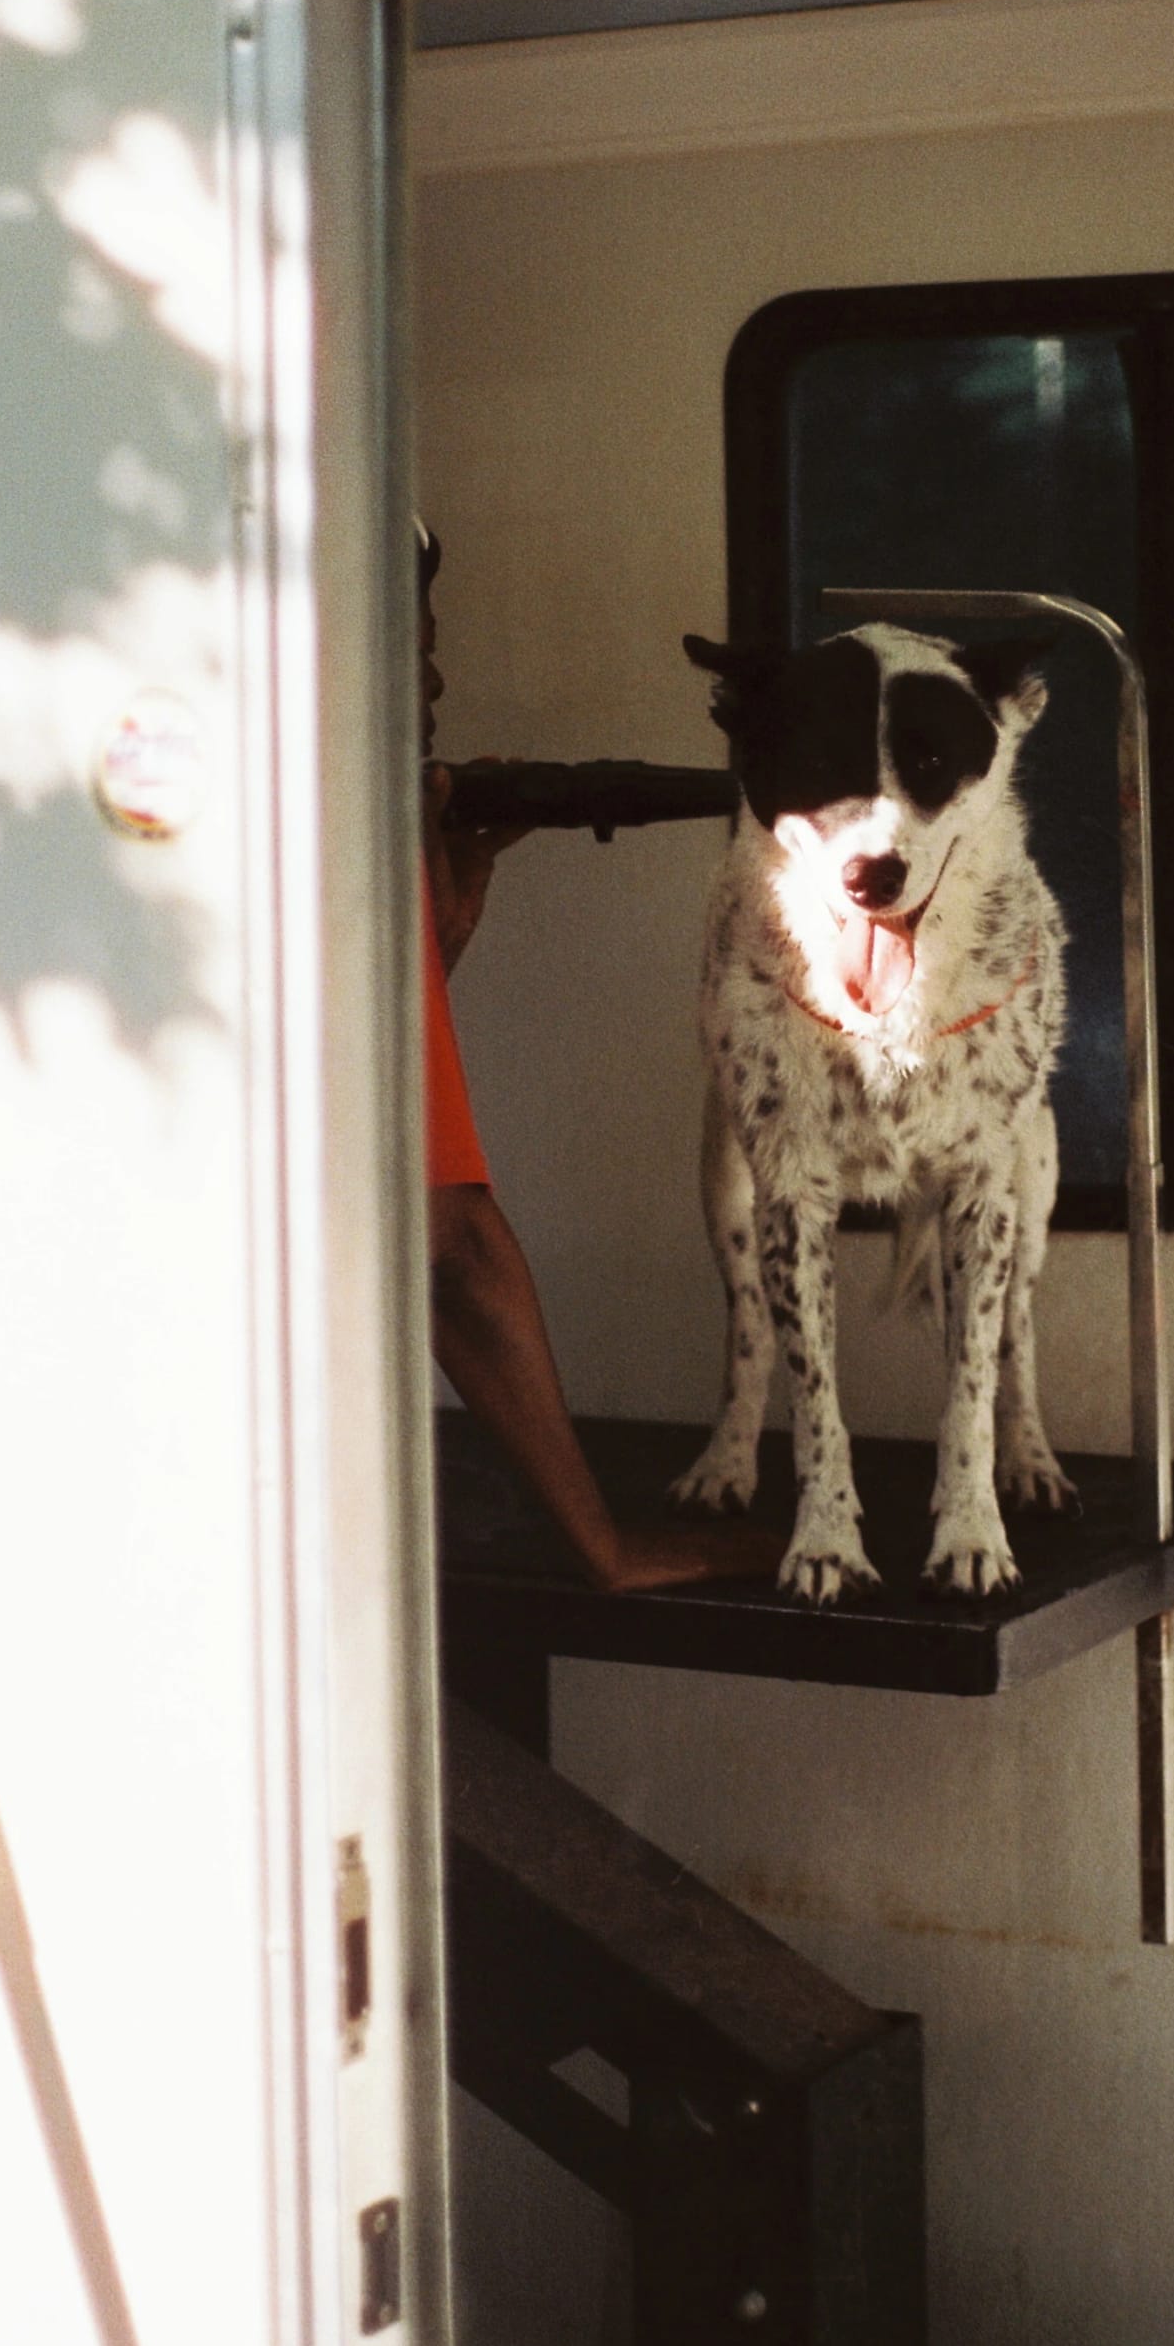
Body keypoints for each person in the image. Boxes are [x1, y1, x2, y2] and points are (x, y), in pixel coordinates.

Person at [419, 527, 778, 1593]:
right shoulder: (337, 847)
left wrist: (437, 936)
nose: (435, 677)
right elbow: (450, 1258)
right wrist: (606, 1546)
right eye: (417, 648)